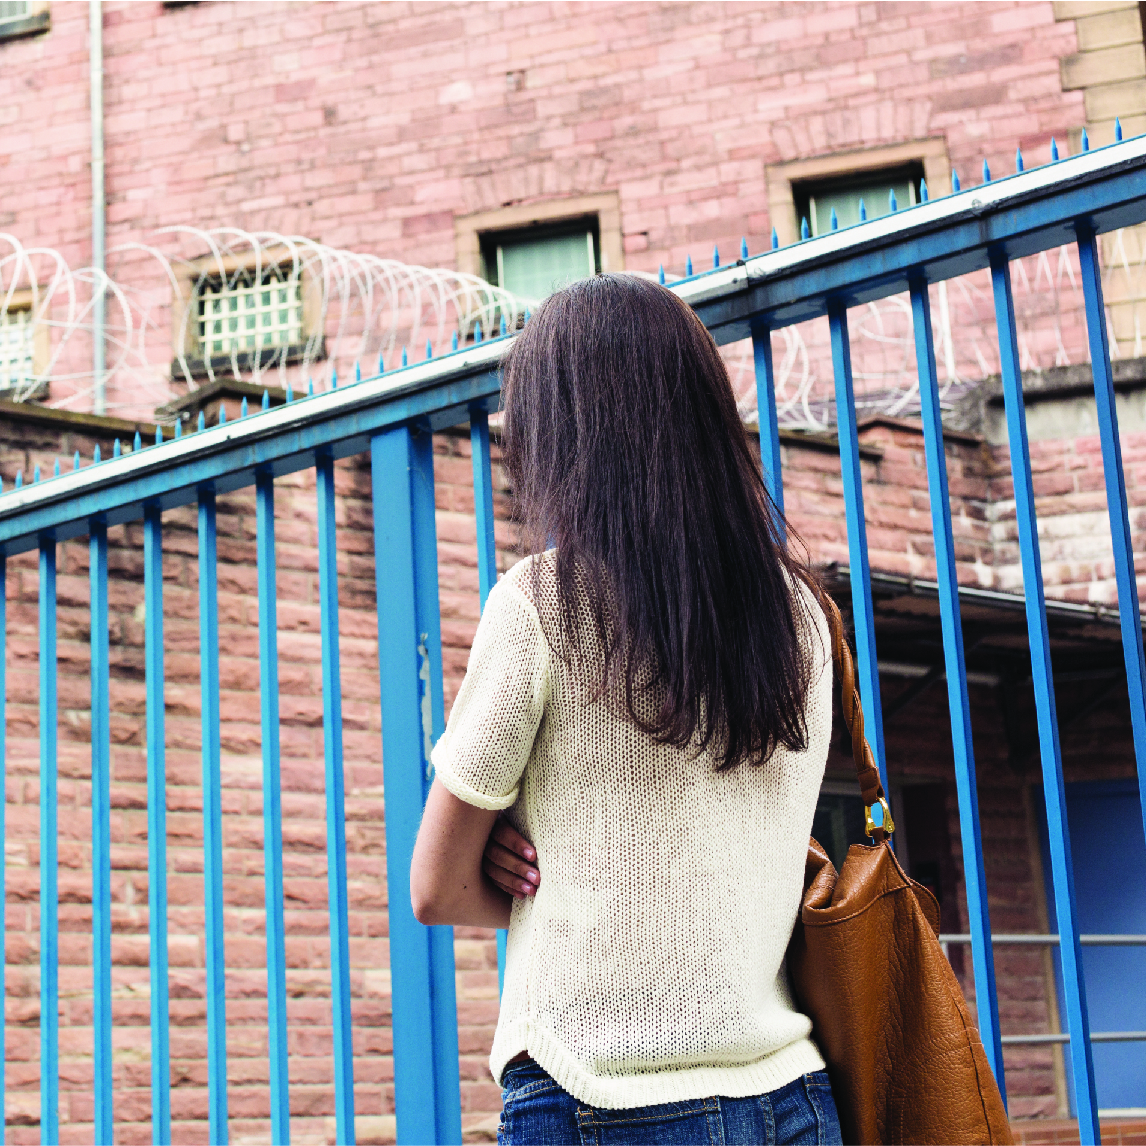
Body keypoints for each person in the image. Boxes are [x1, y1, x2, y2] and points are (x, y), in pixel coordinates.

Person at [409, 273, 842, 1145]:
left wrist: (550, 876)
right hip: (791, 1103)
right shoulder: (803, 616)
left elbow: (435, 887)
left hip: (593, 1089)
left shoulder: (543, 604)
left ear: (565, 434)